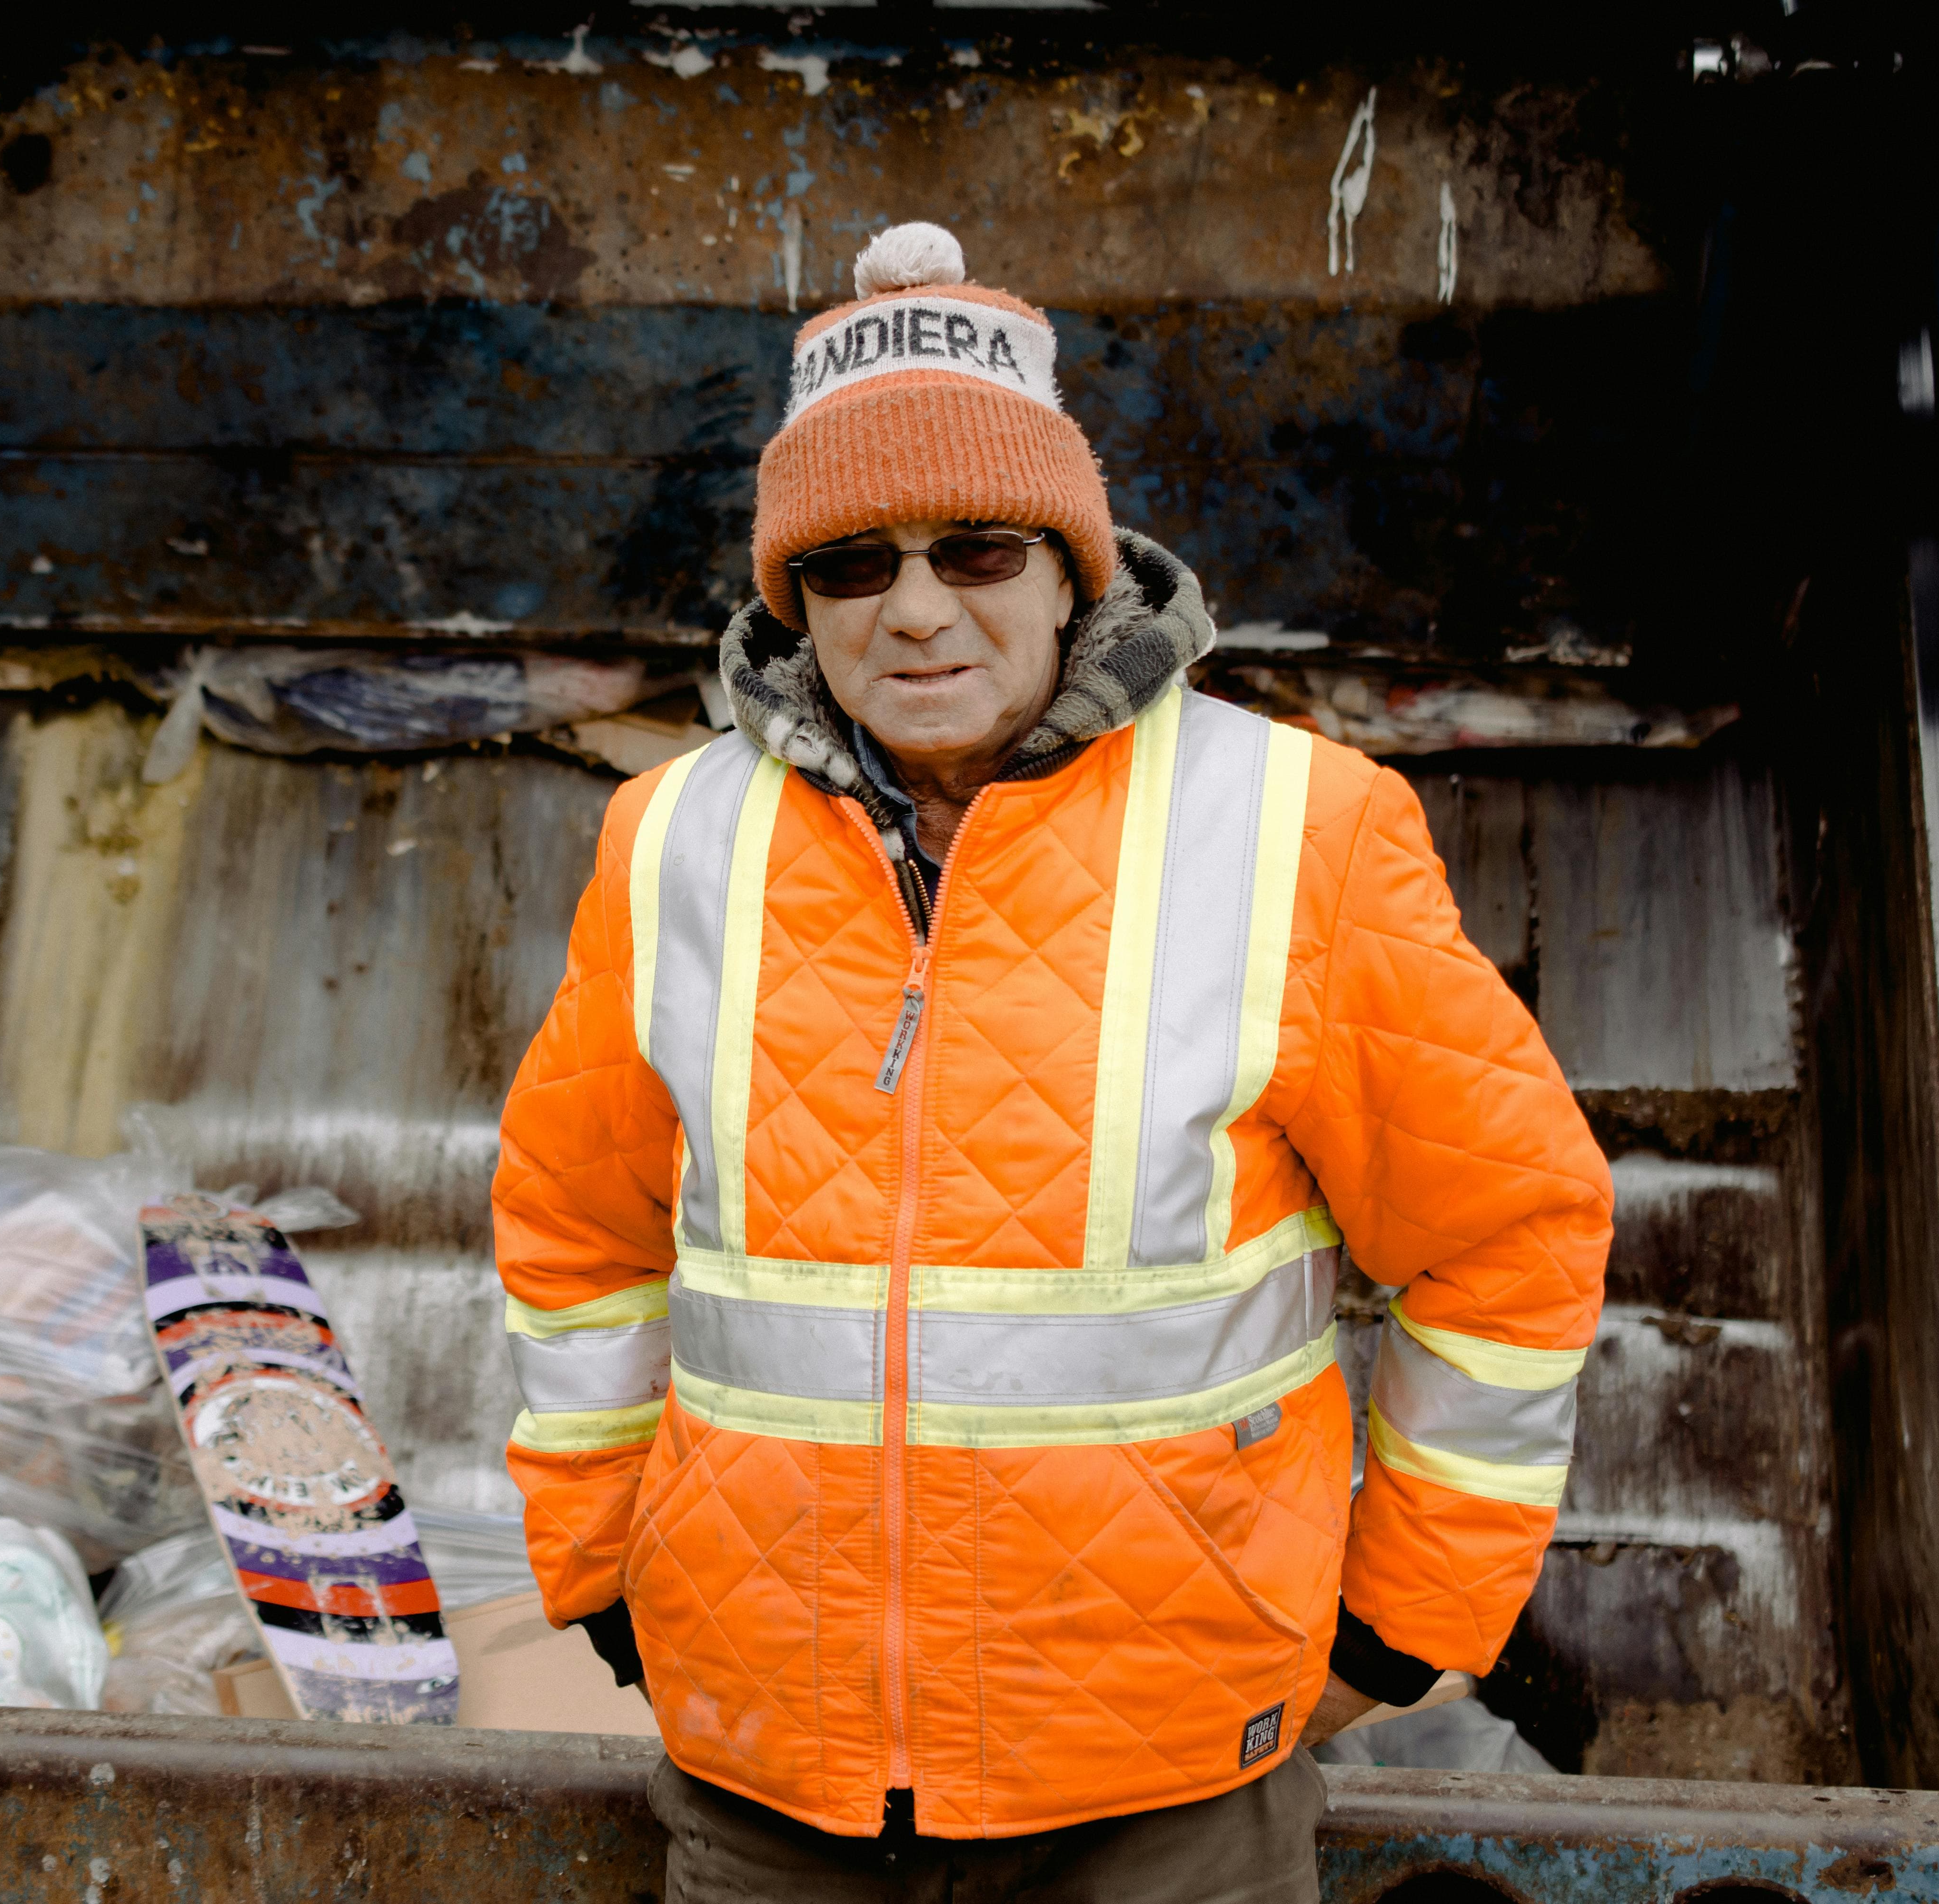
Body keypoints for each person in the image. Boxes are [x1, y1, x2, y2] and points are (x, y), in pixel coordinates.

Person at [492, 223, 1612, 1902]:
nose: (921, 609)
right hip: (764, 1786)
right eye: (856, 562)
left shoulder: (1302, 830)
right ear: (795, 594)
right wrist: (598, 1581)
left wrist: (1398, 1633)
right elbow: (579, 1245)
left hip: (1167, 1796)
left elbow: (1507, 1240)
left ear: (1075, 563)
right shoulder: (668, 847)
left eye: (980, 549)